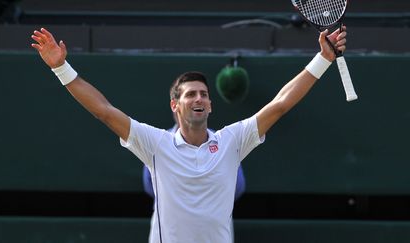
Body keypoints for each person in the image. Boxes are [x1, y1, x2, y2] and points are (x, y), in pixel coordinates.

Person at [31, 26, 347, 243]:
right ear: (175, 106)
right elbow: (103, 110)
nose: (198, 99)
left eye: (203, 95)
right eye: (190, 95)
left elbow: (280, 105)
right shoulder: (154, 143)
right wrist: (61, 68)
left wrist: (323, 59)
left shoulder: (232, 141)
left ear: (210, 105)